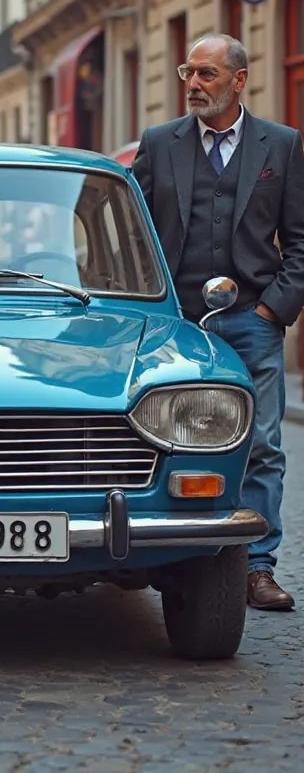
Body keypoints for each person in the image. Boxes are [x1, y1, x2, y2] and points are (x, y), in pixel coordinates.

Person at [133, 34, 304, 611]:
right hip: (172, 324)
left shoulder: (280, 146)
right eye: (189, 72)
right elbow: (132, 232)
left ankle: (258, 568)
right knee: (164, 439)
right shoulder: (160, 144)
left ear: (239, 80)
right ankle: (168, 559)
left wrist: (271, 308)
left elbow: (300, 241)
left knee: (261, 446)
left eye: (207, 74)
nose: (194, 84)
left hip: (253, 319)